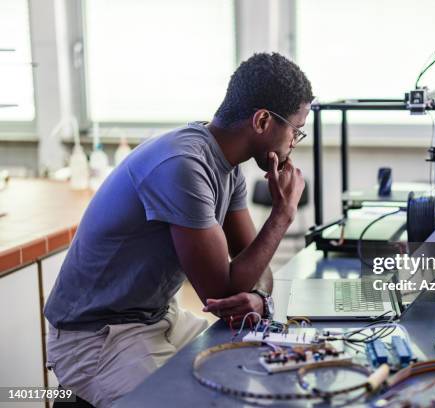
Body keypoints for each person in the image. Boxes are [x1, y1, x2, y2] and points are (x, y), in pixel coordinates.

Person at [43, 52, 312, 407]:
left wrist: (259, 299)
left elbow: (254, 274)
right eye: (296, 130)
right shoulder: (184, 164)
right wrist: (283, 213)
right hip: (96, 336)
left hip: (156, 317)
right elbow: (221, 292)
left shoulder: (228, 168)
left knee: (254, 369)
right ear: (262, 120)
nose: (294, 143)